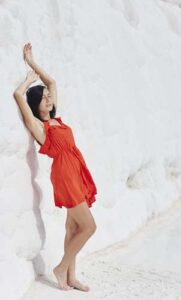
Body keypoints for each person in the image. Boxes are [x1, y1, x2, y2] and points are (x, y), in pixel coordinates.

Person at [13, 42, 98, 292]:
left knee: (73, 227)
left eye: (48, 97)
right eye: (43, 99)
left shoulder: (57, 120)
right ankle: (61, 267)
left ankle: (71, 276)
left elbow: (52, 83)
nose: (48, 98)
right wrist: (28, 82)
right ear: (36, 105)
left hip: (77, 172)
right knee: (89, 227)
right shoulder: (41, 128)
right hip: (65, 176)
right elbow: (18, 96)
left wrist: (32, 62)